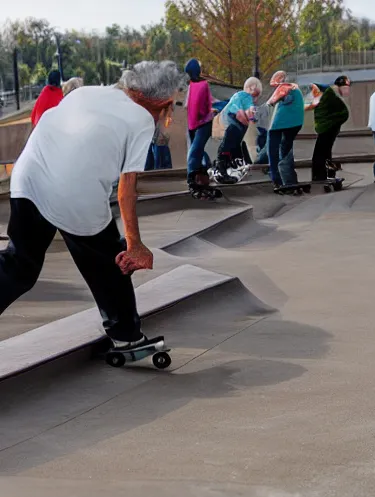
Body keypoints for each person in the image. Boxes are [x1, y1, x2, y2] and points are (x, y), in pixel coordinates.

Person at [1, 61, 180, 351]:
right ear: (161, 102)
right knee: (114, 259)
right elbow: (126, 190)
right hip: (76, 194)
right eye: (169, 107)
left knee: (19, 264)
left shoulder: (85, 93)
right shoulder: (142, 120)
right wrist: (135, 245)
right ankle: (127, 337)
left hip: (28, 179)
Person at [211, 77, 262, 184]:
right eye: (256, 96)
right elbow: (247, 110)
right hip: (233, 125)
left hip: (230, 125)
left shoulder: (237, 95)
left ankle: (225, 166)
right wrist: (251, 117)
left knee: (232, 145)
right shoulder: (245, 96)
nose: (255, 99)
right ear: (251, 88)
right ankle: (221, 170)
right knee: (228, 146)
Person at [266, 71, 305, 189]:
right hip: (296, 123)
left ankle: (277, 178)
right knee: (286, 149)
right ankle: (289, 179)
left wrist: (271, 102)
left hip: (280, 125)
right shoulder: (296, 89)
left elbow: (272, 101)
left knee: (272, 150)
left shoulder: (285, 86)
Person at [310, 76, 351, 181]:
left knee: (324, 152)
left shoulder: (332, 94)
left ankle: (326, 174)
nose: (348, 90)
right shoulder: (331, 93)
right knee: (322, 153)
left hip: (327, 127)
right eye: (346, 87)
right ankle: (320, 176)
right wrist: (334, 122)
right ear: (340, 86)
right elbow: (343, 113)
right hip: (327, 128)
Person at [184, 58, 215, 188]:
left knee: (195, 148)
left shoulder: (191, 85)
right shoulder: (203, 84)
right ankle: (202, 170)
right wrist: (209, 111)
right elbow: (206, 102)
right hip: (204, 120)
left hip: (193, 121)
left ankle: (193, 174)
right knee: (197, 149)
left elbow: (187, 105)